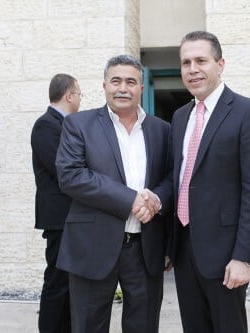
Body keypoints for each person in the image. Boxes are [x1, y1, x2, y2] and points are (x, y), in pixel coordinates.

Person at [55, 54, 171, 333]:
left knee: (144, 325)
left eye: (131, 81)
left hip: (146, 248)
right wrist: (130, 198)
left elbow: (172, 178)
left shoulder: (162, 130)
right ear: (104, 86)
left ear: (141, 88)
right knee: (88, 326)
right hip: (92, 246)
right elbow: (71, 176)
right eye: (115, 80)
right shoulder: (78, 125)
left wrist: (156, 199)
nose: (123, 88)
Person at [168, 31, 250, 333]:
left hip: (227, 252)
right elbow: (178, 180)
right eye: (186, 62)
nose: (192, 69)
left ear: (220, 64)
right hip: (185, 248)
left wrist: (244, 256)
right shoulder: (179, 117)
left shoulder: (249, 113)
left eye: (201, 60)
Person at [31, 73, 82, 332]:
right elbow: (61, 168)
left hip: (70, 217)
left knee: (68, 280)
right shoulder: (46, 125)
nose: (80, 100)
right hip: (58, 217)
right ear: (69, 95)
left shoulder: (65, 124)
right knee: (57, 280)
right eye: (79, 94)